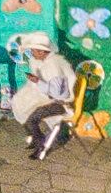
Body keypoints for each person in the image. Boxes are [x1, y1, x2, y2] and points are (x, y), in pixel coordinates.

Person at [5, 31, 80, 165]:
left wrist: (37, 81)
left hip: (59, 103)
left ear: (42, 52)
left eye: (33, 50)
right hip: (48, 97)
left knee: (31, 118)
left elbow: (57, 93)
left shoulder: (54, 65)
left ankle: (41, 145)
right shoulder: (41, 61)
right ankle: (35, 138)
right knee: (19, 103)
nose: (32, 53)